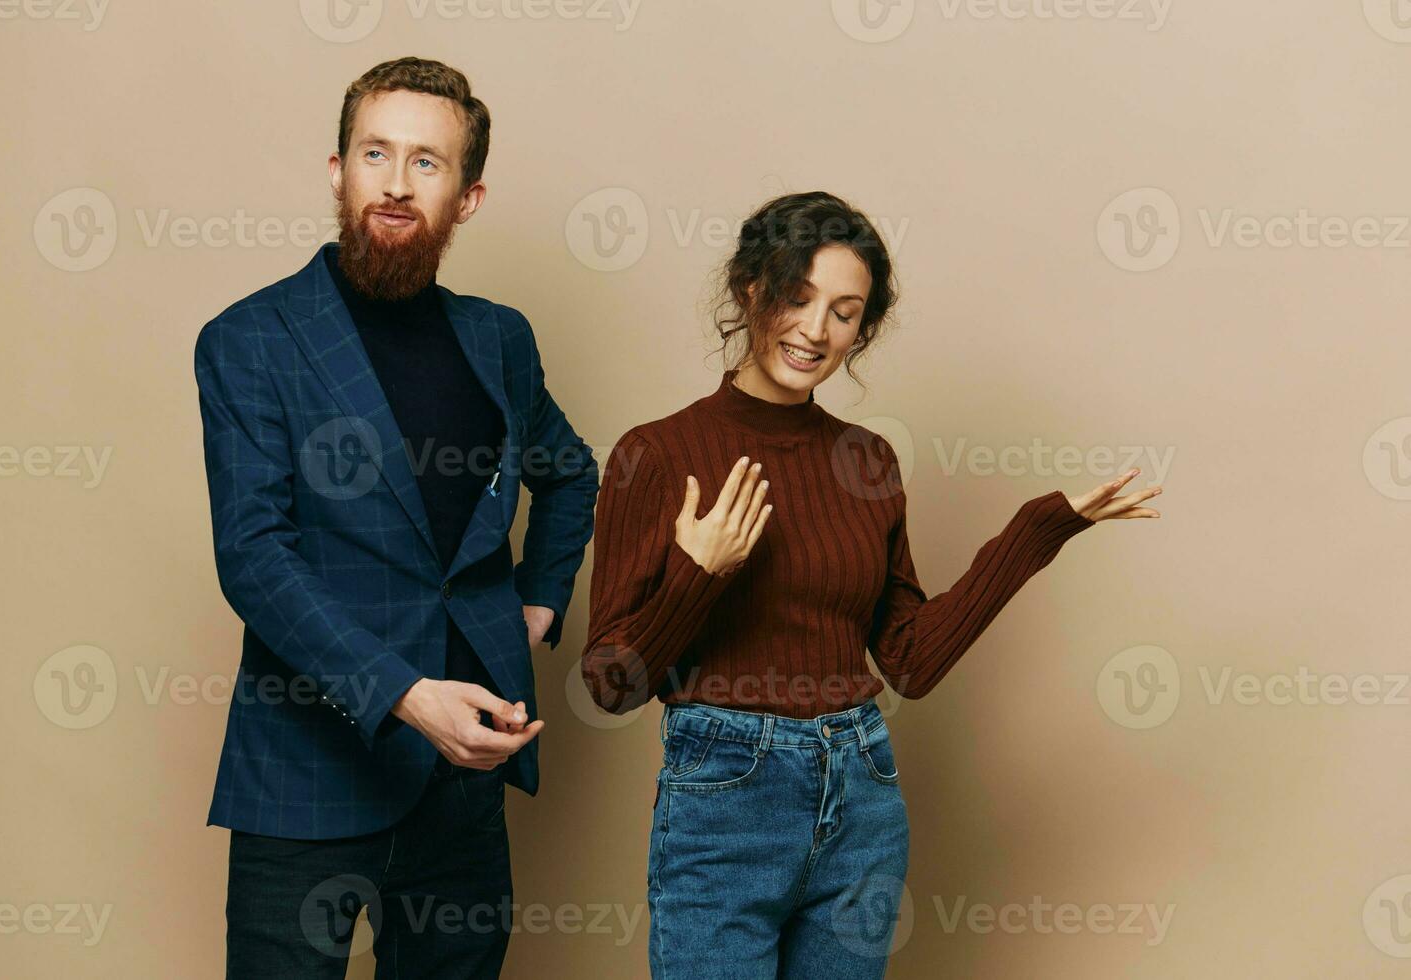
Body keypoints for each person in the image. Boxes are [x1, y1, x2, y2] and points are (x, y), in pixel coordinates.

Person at [580, 191, 1163, 978]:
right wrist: (698, 574)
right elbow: (611, 685)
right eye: (797, 297)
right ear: (751, 289)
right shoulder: (655, 453)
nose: (817, 330)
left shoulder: (866, 462)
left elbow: (911, 662)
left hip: (861, 790)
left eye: (846, 312)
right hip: (726, 800)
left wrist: (1036, 531)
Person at [194, 57, 598, 978]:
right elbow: (254, 559)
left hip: (463, 787)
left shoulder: (499, 337)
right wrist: (409, 698)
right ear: (337, 170)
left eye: (429, 162)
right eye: (376, 153)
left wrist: (536, 599)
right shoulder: (249, 339)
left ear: (468, 196)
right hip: (304, 769)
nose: (397, 182)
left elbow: (570, 474)